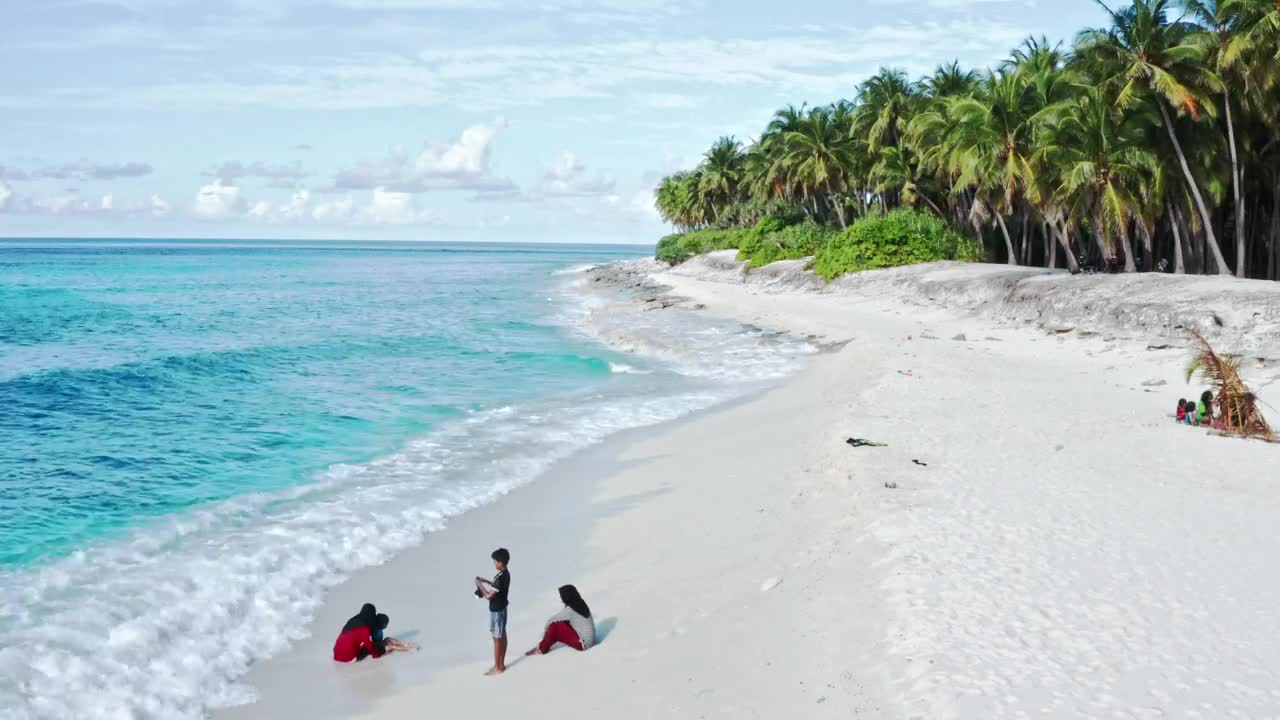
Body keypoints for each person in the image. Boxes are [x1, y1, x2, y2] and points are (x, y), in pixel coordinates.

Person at [526, 584, 596, 656]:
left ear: (567, 596)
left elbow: (552, 620)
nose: (561, 599)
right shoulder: (579, 603)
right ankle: (545, 642)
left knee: (555, 627)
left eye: (562, 596)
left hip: (583, 644)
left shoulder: (570, 609)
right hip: (590, 641)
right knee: (561, 624)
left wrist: (546, 632)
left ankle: (542, 648)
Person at [475, 547, 511, 676]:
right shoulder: (504, 574)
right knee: (502, 635)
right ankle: (501, 664)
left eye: (496, 561)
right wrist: (485, 581)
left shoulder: (500, 577)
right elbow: (496, 585)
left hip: (497, 611)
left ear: (501, 562)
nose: (495, 564)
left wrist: (479, 585)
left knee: (496, 638)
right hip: (502, 607)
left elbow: (489, 596)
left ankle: (498, 667)